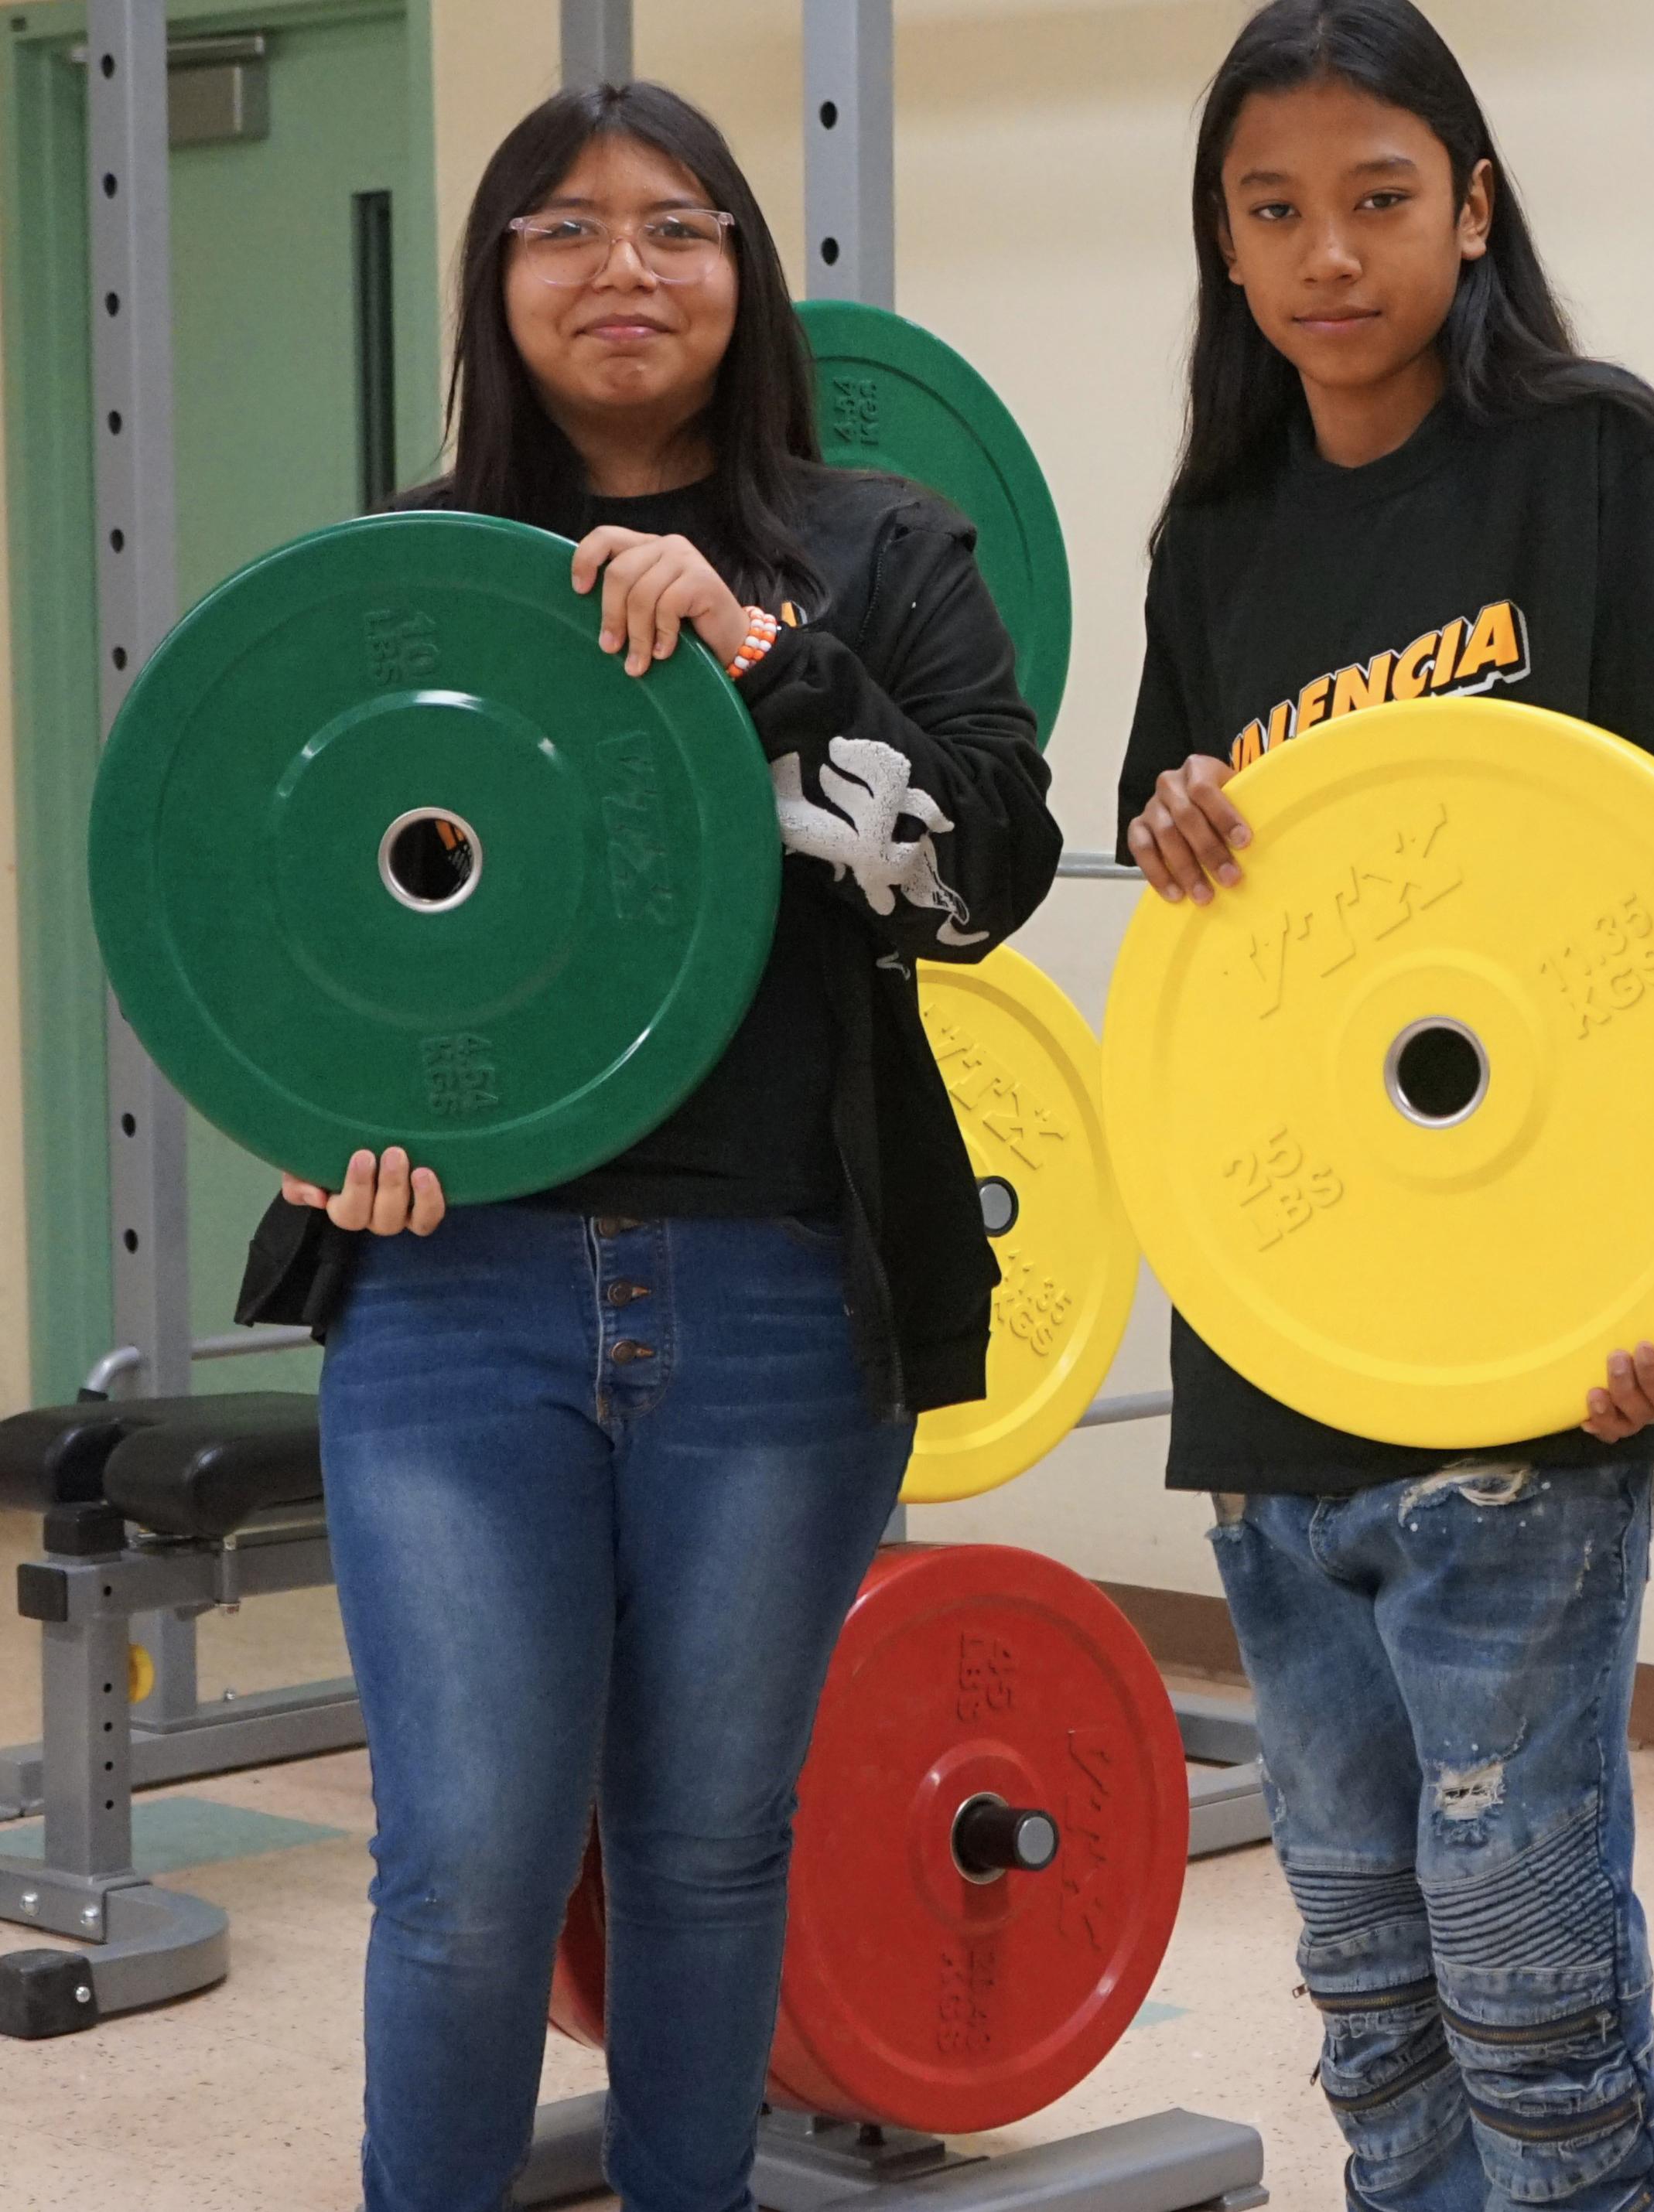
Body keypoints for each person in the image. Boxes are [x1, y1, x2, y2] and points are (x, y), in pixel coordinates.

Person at [231, 82, 1060, 2212]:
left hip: (782, 1288)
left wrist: (761, 655)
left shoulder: (877, 551)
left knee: (705, 1853)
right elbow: (282, 940)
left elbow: (979, 879)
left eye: (677, 223)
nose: (623, 266)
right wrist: (340, 1144)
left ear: (743, 274)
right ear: (495, 279)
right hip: (454, 1294)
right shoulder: (406, 581)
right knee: (467, 1867)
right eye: (564, 227)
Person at [1116, 5, 1654, 2205]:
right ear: (1223, 252)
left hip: (1530, 1366)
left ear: (1476, 206)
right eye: (1273, 210)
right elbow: (1194, 895)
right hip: (1282, 1326)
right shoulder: (1215, 528)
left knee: (1523, 1969)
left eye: (1380, 197)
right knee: (1355, 1957)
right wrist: (1174, 820)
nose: (1329, 251)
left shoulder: (1586, 462)